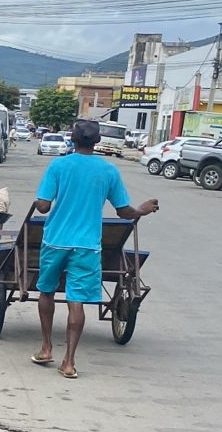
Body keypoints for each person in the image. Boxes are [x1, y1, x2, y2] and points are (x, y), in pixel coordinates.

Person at [31, 120, 159, 379]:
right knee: (75, 300)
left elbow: (43, 206)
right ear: (97, 142)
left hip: (55, 240)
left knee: (46, 291)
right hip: (87, 245)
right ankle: (69, 362)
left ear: (71, 139)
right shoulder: (108, 170)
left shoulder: (58, 165)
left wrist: (39, 202)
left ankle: (46, 348)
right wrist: (142, 210)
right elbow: (124, 211)